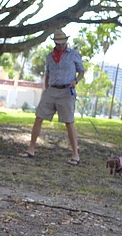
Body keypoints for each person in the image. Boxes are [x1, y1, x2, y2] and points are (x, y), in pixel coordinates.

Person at [20, 28, 85, 165]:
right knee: (38, 117)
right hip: (51, 90)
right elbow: (47, 74)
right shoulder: (49, 57)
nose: (60, 45)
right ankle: (31, 149)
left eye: (62, 42)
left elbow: (81, 71)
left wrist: (76, 81)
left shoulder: (74, 55)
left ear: (66, 41)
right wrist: (46, 88)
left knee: (69, 122)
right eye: (57, 43)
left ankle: (75, 155)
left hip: (67, 91)